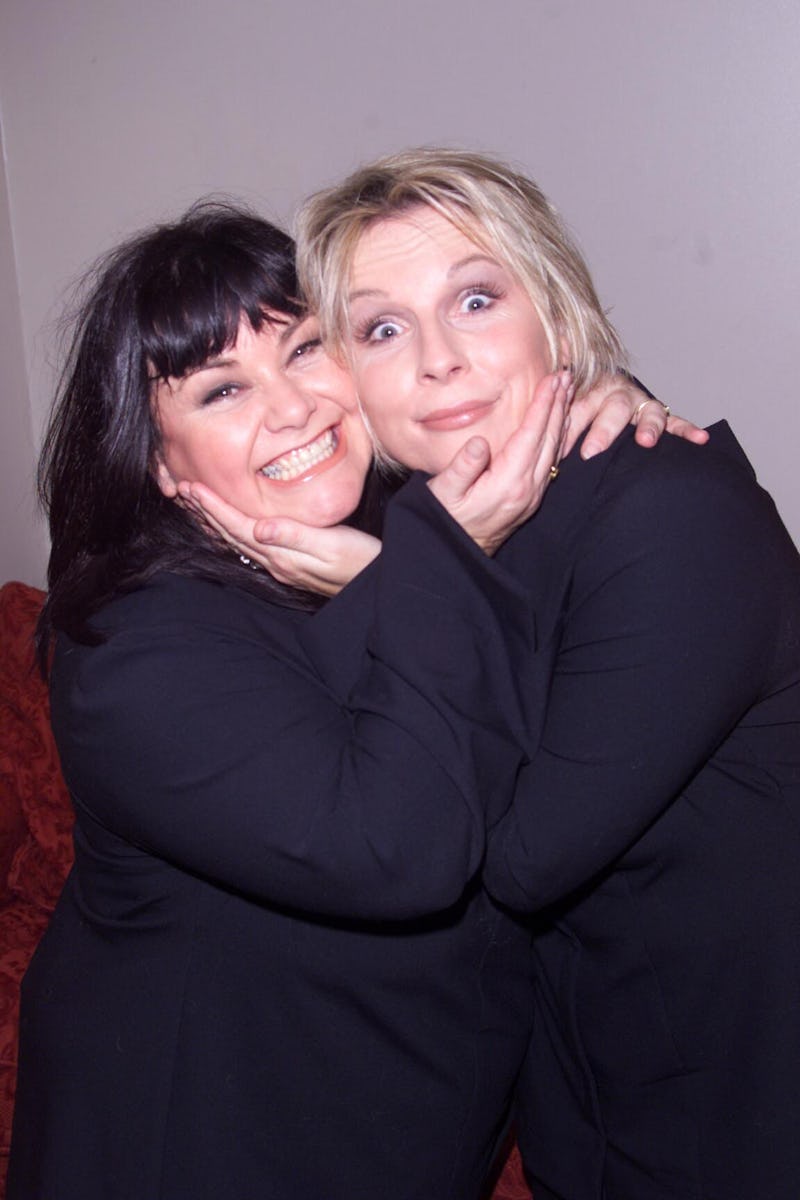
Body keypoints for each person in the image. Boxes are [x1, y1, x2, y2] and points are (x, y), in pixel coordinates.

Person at [7, 201, 681, 1200]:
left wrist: (589, 397)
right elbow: (399, 847)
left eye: (306, 349)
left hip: (398, 1133)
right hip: (199, 1147)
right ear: (159, 464)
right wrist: (415, 574)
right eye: (220, 390)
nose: (290, 409)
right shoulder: (136, 653)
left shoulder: (399, 522)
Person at [212, 149, 800, 1200]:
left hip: (736, 1105)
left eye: (475, 299)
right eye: (381, 329)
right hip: (588, 1096)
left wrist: (396, 584)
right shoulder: (433, 518)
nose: (435, 359)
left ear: (557, 316)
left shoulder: (673, 515)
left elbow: (520, 854)